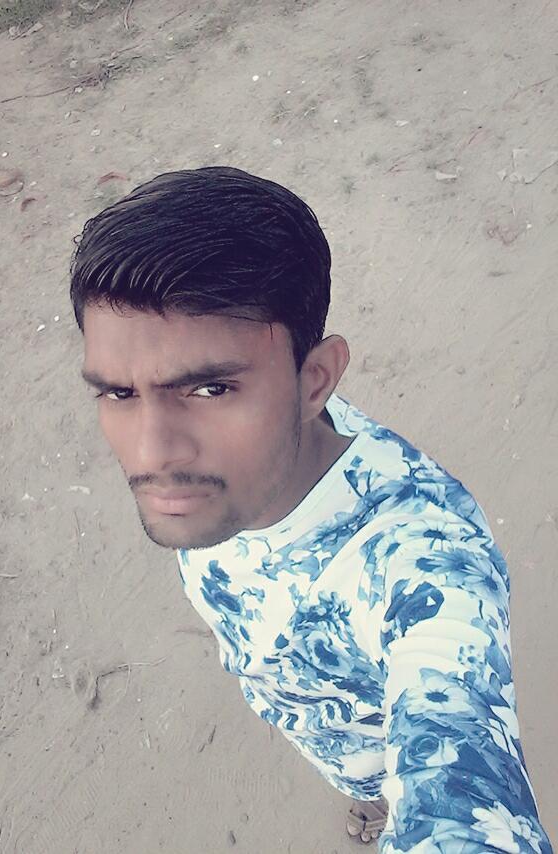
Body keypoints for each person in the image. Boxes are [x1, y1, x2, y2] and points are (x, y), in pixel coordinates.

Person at [70, 166, 552, 851]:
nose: (152, 453)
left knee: (384, 783)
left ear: (315, 379)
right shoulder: (245, 453)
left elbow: (460, 761)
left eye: (209, 390)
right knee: (349, 773)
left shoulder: (426, 564)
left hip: (378, 739)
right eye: (118, 394)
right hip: (315, 725)